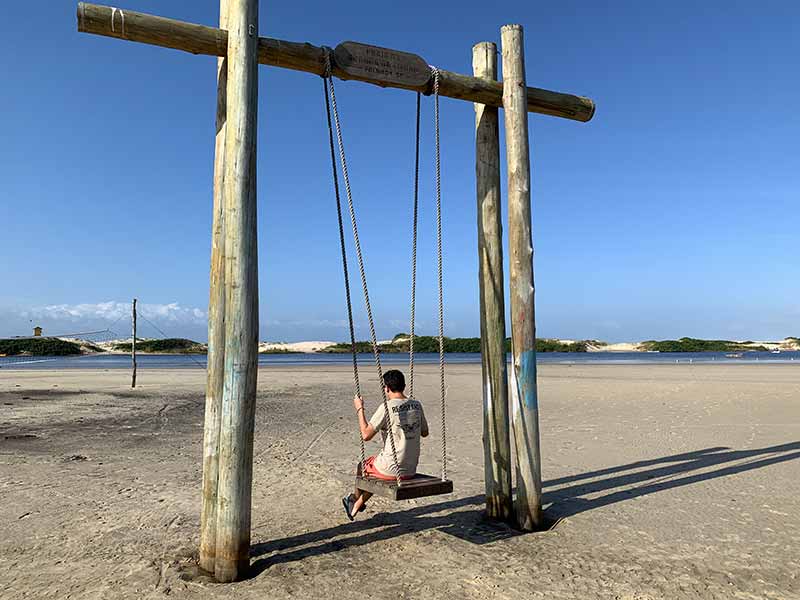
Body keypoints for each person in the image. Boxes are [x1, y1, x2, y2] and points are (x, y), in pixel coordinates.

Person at [342, 369, 428, 520]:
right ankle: (356, 505)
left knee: (363, 467)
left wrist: (359, 409)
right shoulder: (417, 405)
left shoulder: (386, 407)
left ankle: (355, 500)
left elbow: (366, 435)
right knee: (378, 472)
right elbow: (425, 432)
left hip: (391, 469)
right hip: (410, 469)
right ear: (404, 386)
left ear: (386, 388)